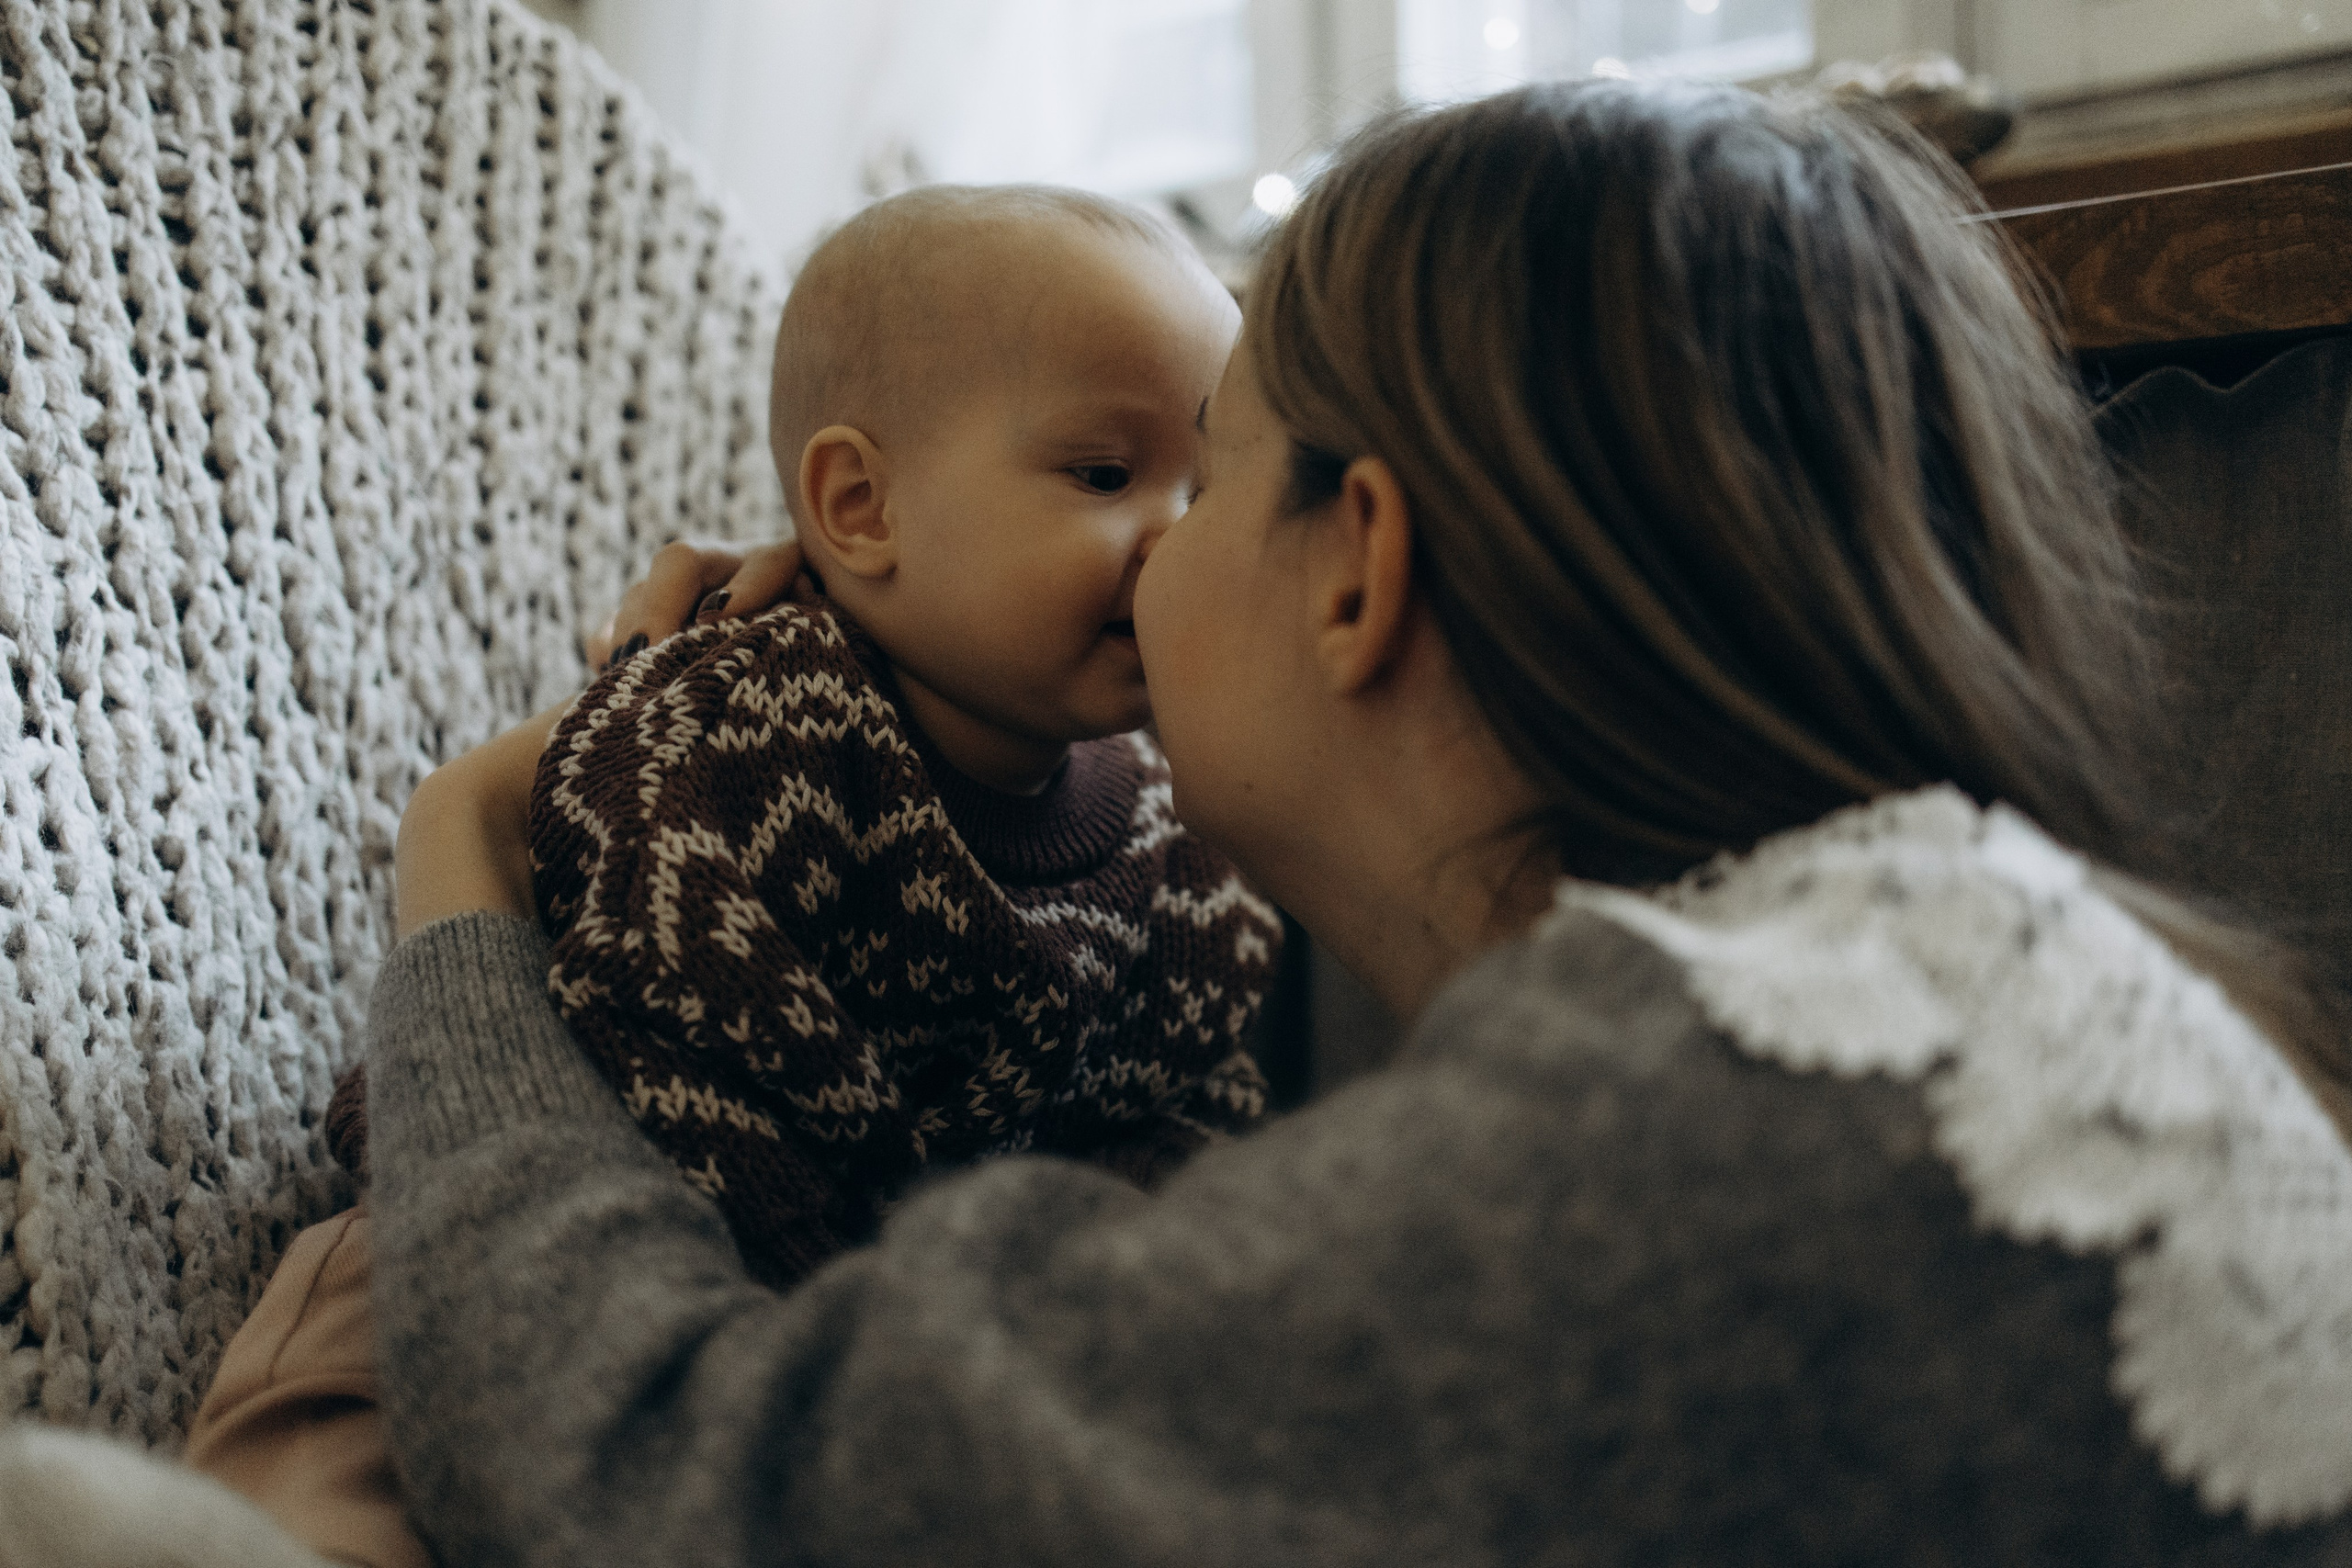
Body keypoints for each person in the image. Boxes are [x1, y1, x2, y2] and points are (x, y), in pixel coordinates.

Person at [366, 82, 2352, 1566]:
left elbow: (634, 1473)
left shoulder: (1636, 1157)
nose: (1149, 554)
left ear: (1355, 568)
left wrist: (462, 849)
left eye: (1205, 472)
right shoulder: (1982, 986)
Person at [187, 184, 1280, 1563]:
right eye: (1106, 477)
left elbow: (1187, 1103)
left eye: (1209, 486)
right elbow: (668, 1037)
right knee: (336, 1474)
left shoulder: (1172, 832)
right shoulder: (742, 725)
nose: (1175, 536)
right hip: (512, 1223)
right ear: (860, 507)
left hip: (843, 1344)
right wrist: (850, 1319)